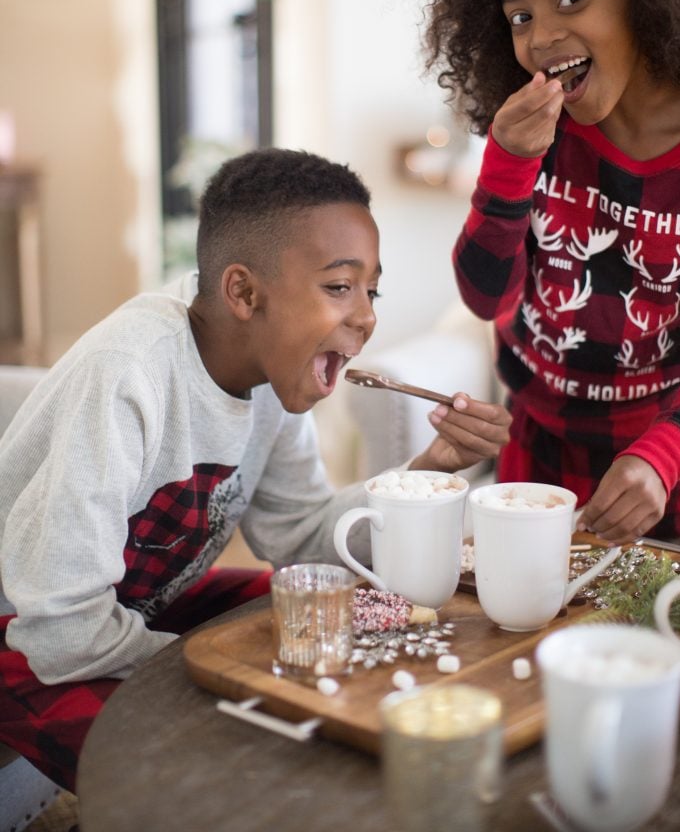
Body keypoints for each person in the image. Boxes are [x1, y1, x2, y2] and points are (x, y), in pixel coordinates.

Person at [0, 147, 510, 791]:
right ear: (243, 291)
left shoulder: (271, 378)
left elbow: (299, 535)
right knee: (205, 774)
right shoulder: (128, 373)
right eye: (338, 286)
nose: (367, 316)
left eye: (371, 289)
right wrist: (242, 667)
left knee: (349, 608)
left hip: (139, 609)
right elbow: (60, 633)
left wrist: (432, 469)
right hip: (25, 640)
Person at [422, 0, 680, 545]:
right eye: (520, 15)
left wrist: (664, 455)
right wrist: (508, 161)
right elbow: (484, 295)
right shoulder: (539, 136)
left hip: (663, 473)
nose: (539, 37)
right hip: (534, 458)